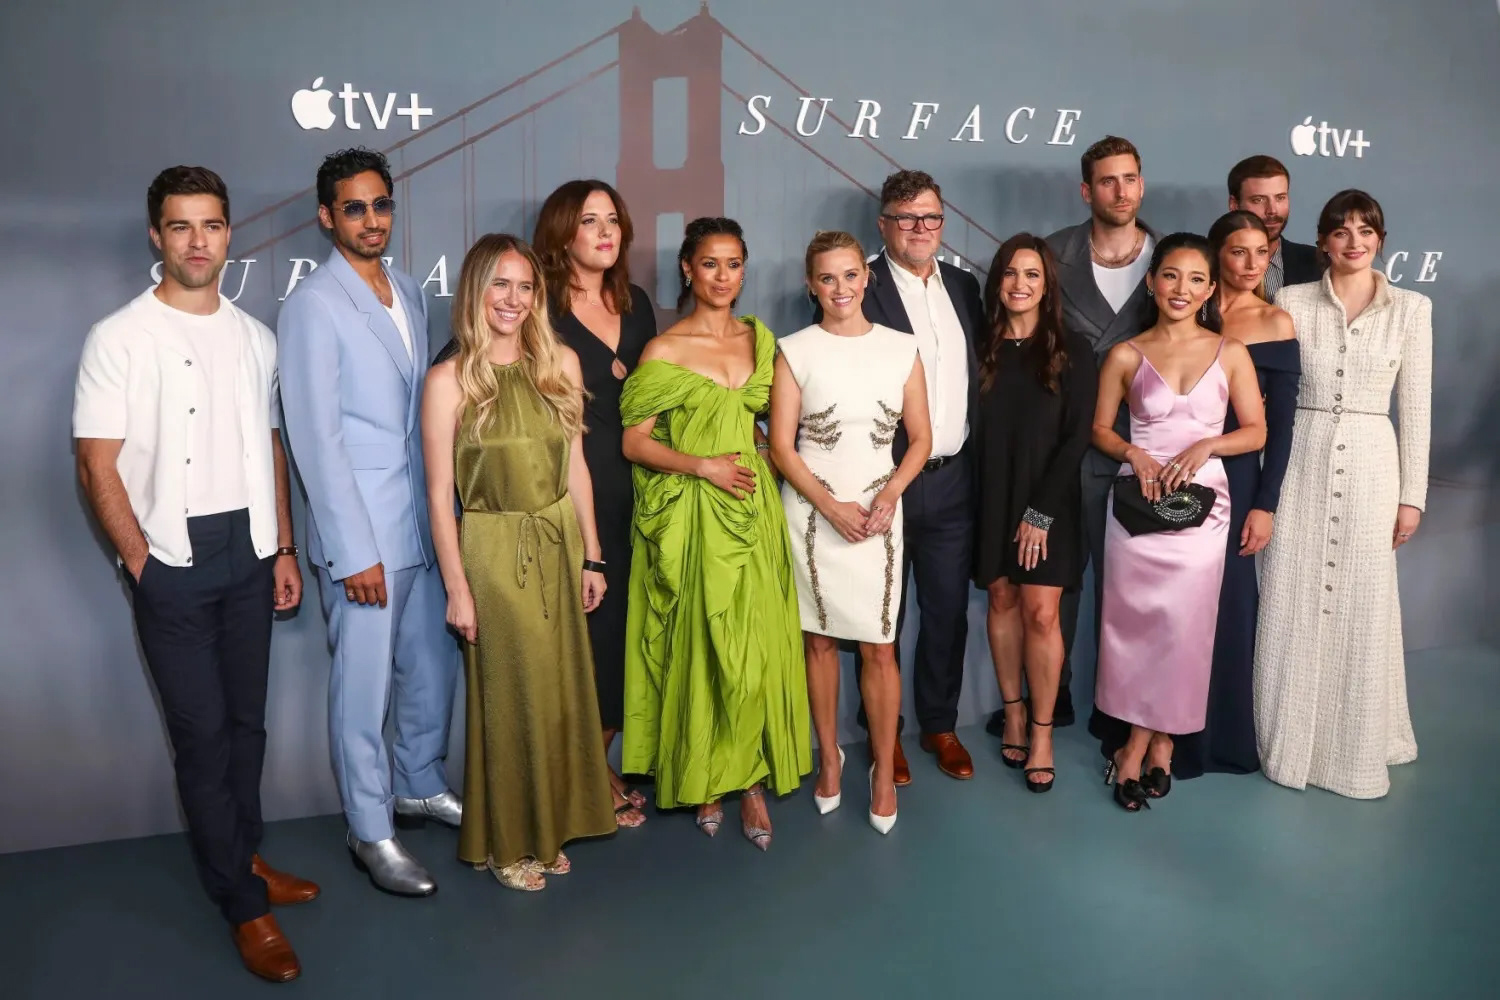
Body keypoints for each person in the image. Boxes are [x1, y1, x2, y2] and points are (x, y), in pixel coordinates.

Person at [73, 166, 316, 982]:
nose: (197, 240)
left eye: (211, 224)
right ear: (158, 235)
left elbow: (270, 446)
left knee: (247, 726)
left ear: (229, 233)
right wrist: (140, 563)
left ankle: (244, 859)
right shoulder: (118, 337)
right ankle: (243, 907)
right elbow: (95, 461)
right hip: (171, 557)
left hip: (250, 549)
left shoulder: (255, 337)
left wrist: (284, 546)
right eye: (181, 226)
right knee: (203, 738)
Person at [277, 148, 460, 896]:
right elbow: (314, 438)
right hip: (364, 537)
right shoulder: (312, 305)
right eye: (354, 208)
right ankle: (369, 827)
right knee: (363, 689)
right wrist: (352, 549)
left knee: (431, 667)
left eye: (381, 205)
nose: (371, 219)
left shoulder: (409, 289)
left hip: (422, 523)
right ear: (328, 217)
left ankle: (419, 783)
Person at [421, 234, 618, 890]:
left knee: (558, 692)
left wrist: (593, 556)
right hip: (494, 548)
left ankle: (549, 826)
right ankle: (508, 842)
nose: (513, 299)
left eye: (525, 286)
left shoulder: (559, 362)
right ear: (475, 292)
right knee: (512, 698)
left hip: (559, 540)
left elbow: (577, 466)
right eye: (499, 285)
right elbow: (439, 497)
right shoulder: (449, 381)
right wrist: (458, 588)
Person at [620, 216, 811, 850]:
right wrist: (703, 465)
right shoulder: (664, 349)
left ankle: (750, 781)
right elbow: (634, 443)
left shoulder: (761, 340)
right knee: (707, 648)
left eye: (733, 264)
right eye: (709, 263)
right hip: (697, 515)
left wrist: (757, 455)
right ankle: (706, 779)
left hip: (753, 512)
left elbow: (759, 424)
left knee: (755, 649)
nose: (723, 276)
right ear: (687, 269)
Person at [1255, 190, 1432, 799]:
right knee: (1290, 591)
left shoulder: (1412, 308)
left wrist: (1412, 497)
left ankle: (1355, 746)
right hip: (1299, 456)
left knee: (1362, 599)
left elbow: (1417, 408)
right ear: (1323, 241)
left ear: (1380, 239)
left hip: (1372, 466)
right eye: (1341, 231)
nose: (1354, 242)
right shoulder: (1291, 300)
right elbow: (1272, 393)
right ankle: (1285, 743)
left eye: (1365, 230)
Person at [1090, 233, 1266, 812]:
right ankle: (1154, 742)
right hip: (1137, 509)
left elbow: (1256, 431)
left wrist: (1209, 445)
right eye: (1170, 276)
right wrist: (1132, 452)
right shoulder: (1125, 354)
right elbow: (1100, 429)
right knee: (1133, 630)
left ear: (1211, 289)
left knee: (1184, 630)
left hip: (1204, 510)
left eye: (1195, 279)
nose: (1181, 289)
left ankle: (1142, 746)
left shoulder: (1230, 352)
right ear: (1151, 282)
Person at [769, 230, 931, 834]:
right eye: (827, 278)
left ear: (867, 277)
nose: (840, 288)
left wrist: (889, 495)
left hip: (880, 511)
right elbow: (782, 447)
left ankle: (883, 770)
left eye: (850, 275)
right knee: (816, 642)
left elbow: (922, 439)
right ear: (811, 285)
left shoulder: (901, 348)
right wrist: (830, 506)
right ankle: (830, 758)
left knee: (879, 647)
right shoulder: (794, 351)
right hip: (814, 513)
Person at [844, 169, 985, 783]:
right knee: (882, 618)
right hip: (883, 482)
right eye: (906, 218)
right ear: (884, 225)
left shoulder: (965, 286)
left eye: (930, 216)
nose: (920, 228)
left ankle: (939, 724)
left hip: (953, 480)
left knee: (948, 612)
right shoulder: (859, 286)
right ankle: (885, 734)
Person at [532, 179, 657, 828]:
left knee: (625, 638)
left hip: (642, 491)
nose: (606, 232)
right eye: (589, 221)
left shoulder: (636, 304)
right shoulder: (538, 308)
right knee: (588, 634)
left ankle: (596, 761)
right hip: (574, 491)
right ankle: (583, 771)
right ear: (562, 234)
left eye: (613, 219)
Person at [1030, 136, 1158, 737]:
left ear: (1142, 184)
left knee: (1132, 592)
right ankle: (1049, 700)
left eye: (1129, 179)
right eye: (1107, 181)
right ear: (1087, 190)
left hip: (1142, 453)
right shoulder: (1051, 256)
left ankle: (1124, 708)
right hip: (1062, 450)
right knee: (1055, 587)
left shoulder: (1174, 259)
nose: (1120, 191)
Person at [1172, 211, 1299, 780]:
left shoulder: (1276, 321)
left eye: (1262, 253)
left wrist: (1265, 504)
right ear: (1215, 253)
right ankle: (1157, 732)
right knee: (1172, 605)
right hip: (1173, 473)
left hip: (1239, 479)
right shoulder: (1182, 308)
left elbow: (1283, 426)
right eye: (1239, 252)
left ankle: (1218, 742)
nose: (1252, 265)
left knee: (1229, 608)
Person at [973, 234, 1098, 793]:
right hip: (989, 493)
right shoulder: (979, 348)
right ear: (997, 282)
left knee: (1043, 615)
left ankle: (1042, 733)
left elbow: (1077, 437)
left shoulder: (1073, 349)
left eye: (1031, 275)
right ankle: (1013, 713)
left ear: (1047, 286)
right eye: (1010, 273)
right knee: (1001, 599)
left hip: (1050, 499)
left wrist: (1040, 513)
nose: (1019, 284)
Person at [1227, 155, 1321, 299]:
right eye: (1258, 200)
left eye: (1280, 198)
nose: (1272, 210)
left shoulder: (1317, 263)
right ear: (1234, 205)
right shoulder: (1208, 264)